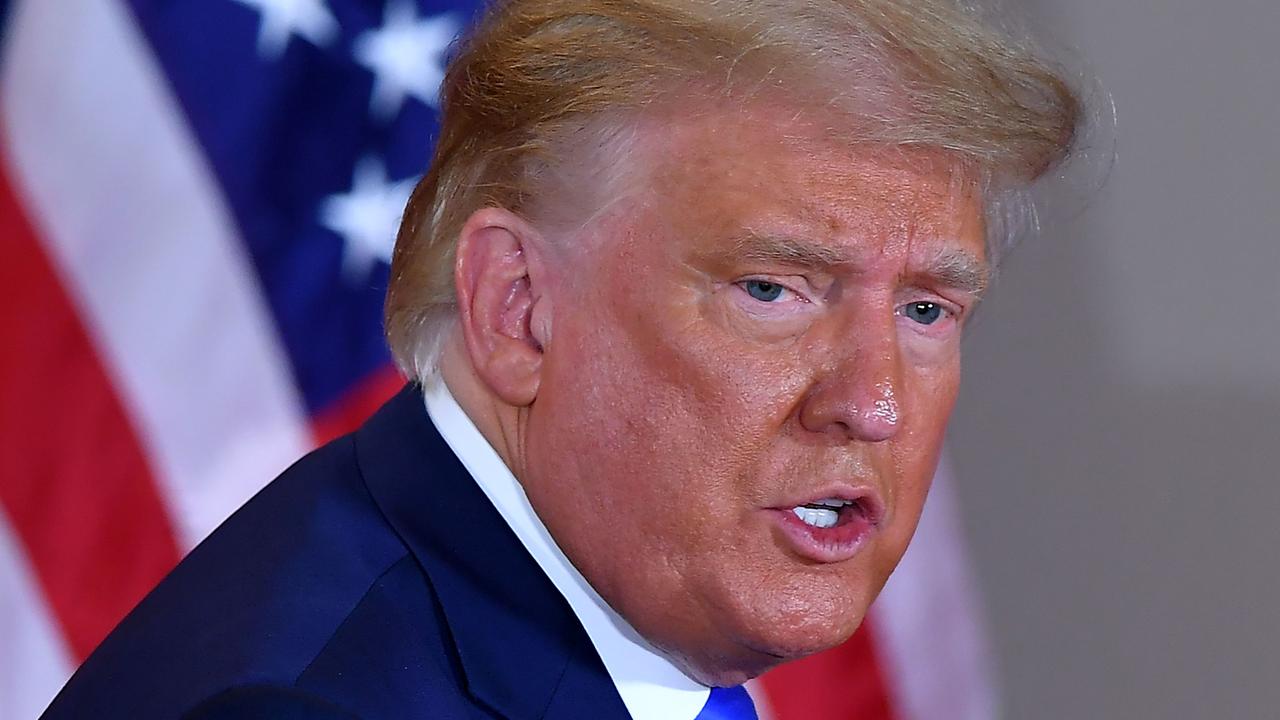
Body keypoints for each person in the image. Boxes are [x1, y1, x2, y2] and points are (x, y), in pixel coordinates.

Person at [42, 0, 1079, 718]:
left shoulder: (607, 636)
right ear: (518, 308)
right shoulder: (310, 707)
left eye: (927, 308)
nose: (872, 404)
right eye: (770, 289)